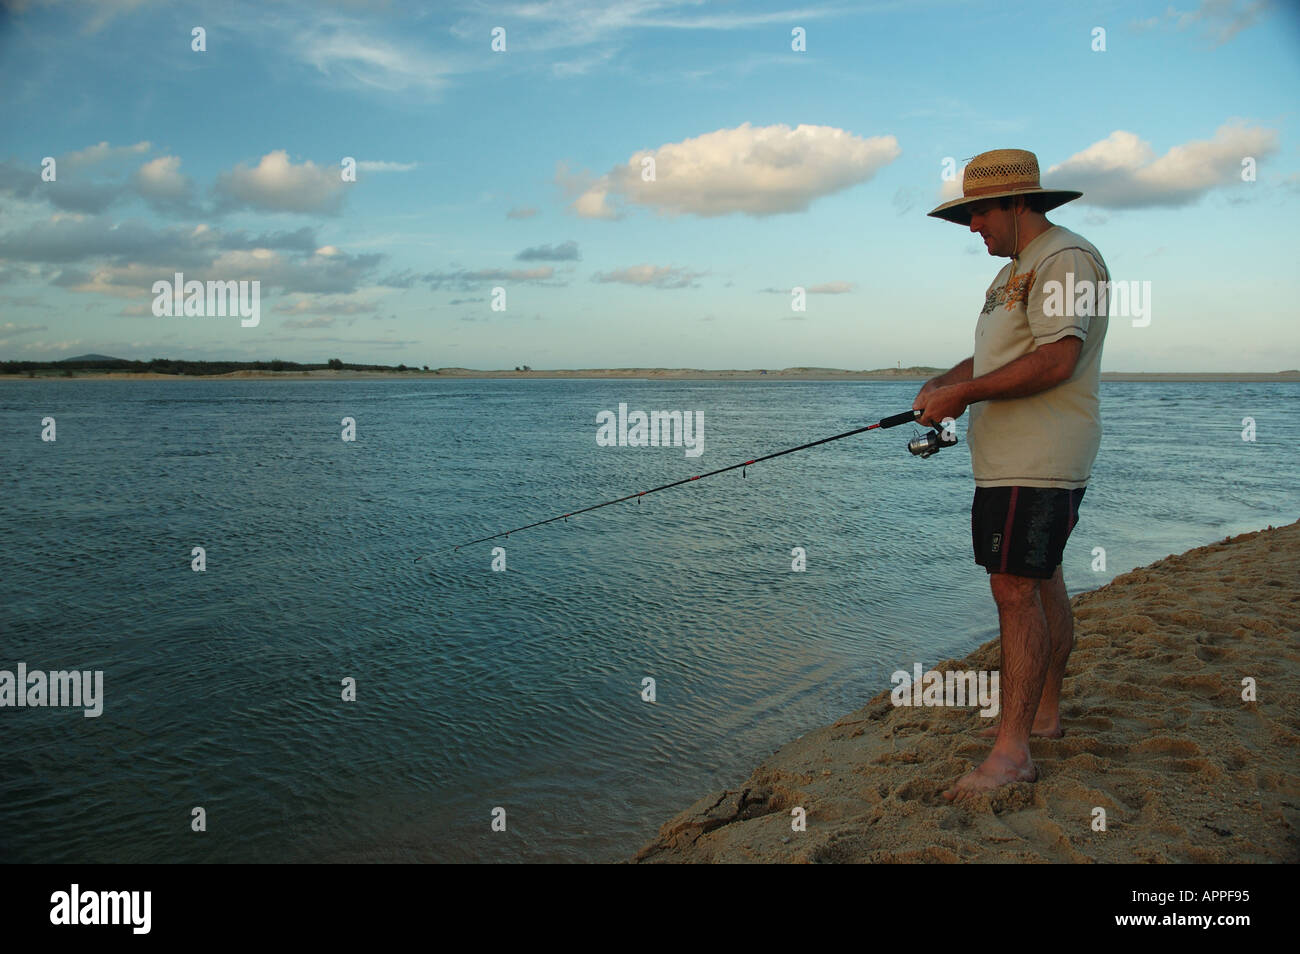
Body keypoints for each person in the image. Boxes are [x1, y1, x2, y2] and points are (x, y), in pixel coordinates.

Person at [911, 149, 1109, 802]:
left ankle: (1011, 752)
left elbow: (1057, 359)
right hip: (1010, 462)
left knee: (1013, 593)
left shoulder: (1065, 259)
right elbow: (1006, 350)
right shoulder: (1015, 272)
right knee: (1040, 582)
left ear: (1019, 203)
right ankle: (1045, 715)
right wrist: (949, 382)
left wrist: (962, 399)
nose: (972, 228)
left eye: (978, 213)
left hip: (1039, 459)